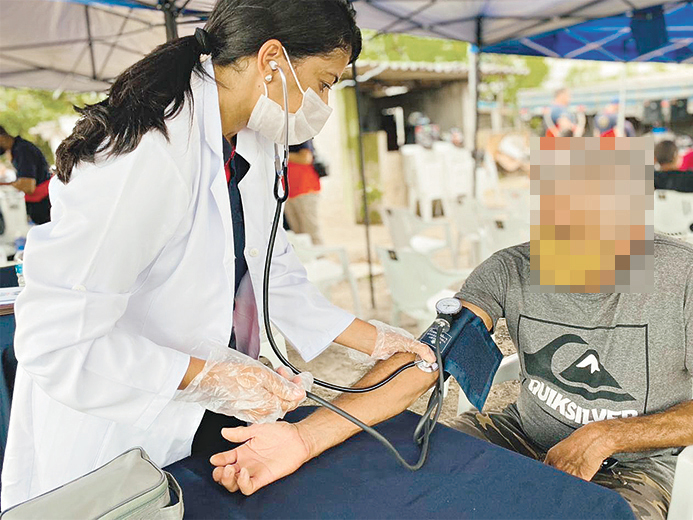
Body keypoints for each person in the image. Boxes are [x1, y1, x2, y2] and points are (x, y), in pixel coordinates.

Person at [0, 0, 436, 509]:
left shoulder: (251, 135)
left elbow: (271, 268)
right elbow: (58, 344)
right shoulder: (146, 154)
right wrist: (214, 378)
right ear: (272, 59)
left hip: (203, 411)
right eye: (323, 82)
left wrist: (374, 338)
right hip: (120, 419)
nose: (321, 101)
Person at [213, 164, 693, 520]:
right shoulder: (513, 268)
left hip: (631, 462)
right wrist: (303, 437)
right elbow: (431, 358)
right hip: (520, 431)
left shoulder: (683, 278)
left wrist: (608, 434)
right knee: (406, 487)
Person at [0, 126, 51, 224]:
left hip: (44, 207)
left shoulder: (22, 150)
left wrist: (4, 185)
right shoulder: (17, 149)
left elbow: (28, 186)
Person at [283, 139, 323, 244]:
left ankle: (320, 259)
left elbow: (305, 158)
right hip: (287, 191)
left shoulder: (300, 134)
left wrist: (282, 156)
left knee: (311, 231)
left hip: (305, 189)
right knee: (297, 235)